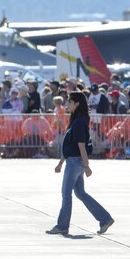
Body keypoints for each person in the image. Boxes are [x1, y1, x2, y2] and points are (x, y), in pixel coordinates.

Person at [46, 91, 114, 236]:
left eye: (69, 102)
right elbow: (71, 146)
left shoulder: (79, 121)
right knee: (80, 193)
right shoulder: (77, 120)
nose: (67, 104)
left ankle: (62, 225)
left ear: (77, 104)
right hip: (74, 160)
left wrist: (86, 165)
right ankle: (105, 218)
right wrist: (61, 163)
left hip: (75, 162)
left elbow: (81, 145)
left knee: (66, 194)